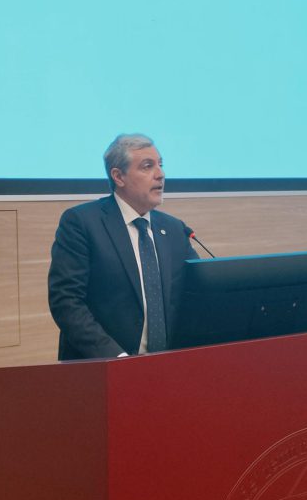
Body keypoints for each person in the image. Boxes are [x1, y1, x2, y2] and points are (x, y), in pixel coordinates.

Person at [48, 133, 198, 360]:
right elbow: (66, 301)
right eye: (147, 166)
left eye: (160, 164)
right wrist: (117, 359)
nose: (160, 174)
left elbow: (198, 292)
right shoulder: (82, 223)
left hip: (168, 366)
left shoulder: (175, 229)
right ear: (118, 176)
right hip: (102, 366)